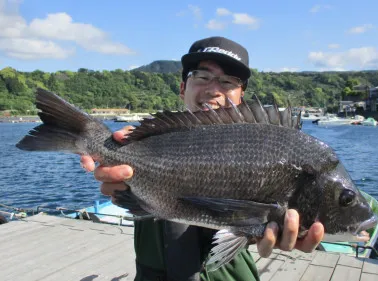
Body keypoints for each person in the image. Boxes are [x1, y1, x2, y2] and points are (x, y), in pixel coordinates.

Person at [81, 36, 325, 281]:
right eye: (202, 77)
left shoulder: (265, 149)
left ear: (241, 96)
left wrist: (261, 231)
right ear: (182, 88)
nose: (213, 90)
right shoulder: (144, 141)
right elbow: (121, 179)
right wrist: (105, 149)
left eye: (228, 81)